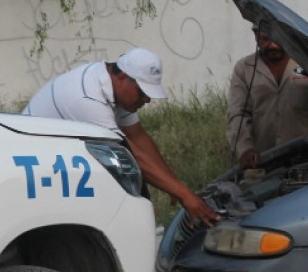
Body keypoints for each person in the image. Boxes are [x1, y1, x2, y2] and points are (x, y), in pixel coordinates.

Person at [23, 47, 220, 226]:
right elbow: (127, 154)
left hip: (61, 160)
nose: (147, 99)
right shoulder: (87, 98)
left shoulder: (116, 90)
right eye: (143, 92)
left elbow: (138, 136)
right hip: (32, 167)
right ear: (122, 77)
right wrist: (184, 194)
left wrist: (173, 184)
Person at [227, 26, 308, 169]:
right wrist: (245, 148)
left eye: (278, 39)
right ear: (256, 36)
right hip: (265, 161)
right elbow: (237, 113)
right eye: (265, 39)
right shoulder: (244, 68)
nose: (273, 45)